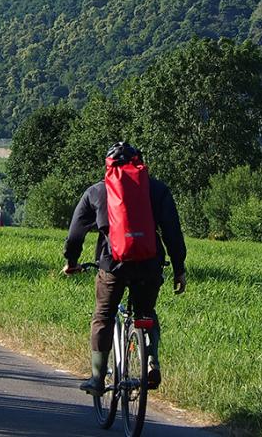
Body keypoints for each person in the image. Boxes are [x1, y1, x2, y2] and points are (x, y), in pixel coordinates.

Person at [62, 141, 187, 396]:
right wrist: (178, 268)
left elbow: (75, 235)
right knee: (146, 312)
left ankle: (97, 379)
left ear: (108, 165)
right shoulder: (157, 189)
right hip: (149, 265)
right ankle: (151, 361)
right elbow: (173, 233)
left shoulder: (97, 191)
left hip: (112, 266)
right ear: (139, 163)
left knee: (104, 316)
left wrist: (71, 262)